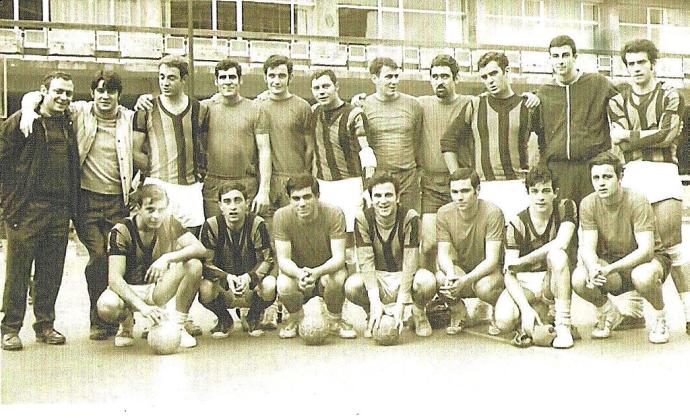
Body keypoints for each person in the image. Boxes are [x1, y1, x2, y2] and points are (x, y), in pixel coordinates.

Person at [19, 71, 142, 341]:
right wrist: (27, 110)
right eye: (99, 91)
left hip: (117, 204)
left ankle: (121, 320)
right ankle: (99, 320)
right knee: (99, 256)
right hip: (86, 202)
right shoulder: (79, 112)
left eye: (111, 91)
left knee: (119, 260)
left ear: (119, 96)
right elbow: (41, 97)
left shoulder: (129, 118)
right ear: (92, 94)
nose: (105, 96)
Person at [608, 38, 690, 334]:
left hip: (664, 171)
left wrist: (630, 136)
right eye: (630, 64)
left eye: (641, 62)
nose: (636, 68)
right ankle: (635, 312)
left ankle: (688, 312)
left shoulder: (670, 94)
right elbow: (619, 137)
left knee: (673, 245)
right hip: (633, 173)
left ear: (653, 64)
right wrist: (650, 133)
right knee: (633, 245)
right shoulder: (617, 100)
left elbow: (668, 135)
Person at [1, 71, 80, 351]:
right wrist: (10, 204)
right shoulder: (22, 122)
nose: (63, 97)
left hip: (58, 211)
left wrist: (70, 210)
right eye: (58, 91)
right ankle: (10, 329)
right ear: (43, 91)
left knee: (50, 272)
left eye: (68, 93)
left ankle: (45, 325)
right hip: (26, 211)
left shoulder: (67, 124)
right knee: (18, 273)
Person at [136, 59, 271, 220]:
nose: (227, 82)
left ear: (240, 80)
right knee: (211, 236)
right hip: (212, 185)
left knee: (243, 237)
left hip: (245, 183)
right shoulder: (204, 108)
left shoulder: (255, 109)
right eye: (222, 77)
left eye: (232, 77)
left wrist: (264, 189)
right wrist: (143, 99)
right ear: (216, 81)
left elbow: (264, 150)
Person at [133, 55, 208, 336]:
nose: (165, 82)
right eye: (161, 77)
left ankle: (182, 317)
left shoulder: (200, 109)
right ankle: (158, 318)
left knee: (190, 257)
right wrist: (155, 175)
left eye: (171, 77)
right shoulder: (146, 108)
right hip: (159, 187)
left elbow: (202, 146)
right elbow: (134, 150)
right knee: (161, 253)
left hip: (189, 189)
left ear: (184, 80)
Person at [572, 152, 672, 344]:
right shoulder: (588, 203)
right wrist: (593, 266)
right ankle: (609, 313)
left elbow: (646, 251)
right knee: (579, 278)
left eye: (607, 177)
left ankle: (660, 319)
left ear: (619, 177)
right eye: (596, 178)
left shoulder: (637, 200)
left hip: (648, 262)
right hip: (612, 263)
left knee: (642, 276)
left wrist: (609, 269)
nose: (601, 183)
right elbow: (588, 246)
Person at [96, 184, 206, 348]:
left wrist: (167, 258)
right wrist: (144, 308)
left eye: (161, 210)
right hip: (129, 290)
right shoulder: (121, 230)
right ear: (138, 207)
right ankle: (126, 325)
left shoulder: (169, 223)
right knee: (106, 306)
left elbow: (199, 248)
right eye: (150, 209)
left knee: (194, 265)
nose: (156, 216)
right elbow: (114, 279)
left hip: (157, 289)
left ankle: (178, 325)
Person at [441, 51, 536, 220]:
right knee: (488, 243)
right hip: (484, 186)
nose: (490, 80)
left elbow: (545, 141)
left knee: (516, 242)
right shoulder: (475, 105)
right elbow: (448, 141)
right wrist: (460, 180)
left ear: (507, 72)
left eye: (494, 73)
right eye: (484, 77)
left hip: (518, 185)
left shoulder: (527, 105)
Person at [494, 166, 577, 348]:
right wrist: (525, 308)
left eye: (546, 191)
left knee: (558, 256)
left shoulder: (565, 207)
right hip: (526, 283)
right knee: (503, 322)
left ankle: (563, 325)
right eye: (535, 191)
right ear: (529, 193)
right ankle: (533, 317)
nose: (540, 197)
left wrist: (525, 260)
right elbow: (509, 272)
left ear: (555, 193)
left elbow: (561, 242)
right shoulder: (516, 224)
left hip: (551, 278)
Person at [345, 172, 436, 337]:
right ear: (371, 199)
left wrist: (400, 306)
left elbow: (410, 263)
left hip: (403, 275)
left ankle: (419, 313)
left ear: (398, 197)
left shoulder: (410, 218)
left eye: (388, 195)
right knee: (352, 285)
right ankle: (372, 314)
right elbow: (366, 263)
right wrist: (374, 302)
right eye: (377, 196)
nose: (383, 201)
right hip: (378, 277)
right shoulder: (363, 219)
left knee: (427, 281)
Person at [534, 35, 618, 206]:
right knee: (565, 221)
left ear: (575, 57)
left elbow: (625, 102)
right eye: (555, 56)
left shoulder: (597, 83)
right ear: (550, 59)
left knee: (594, 222)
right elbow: (537, 132)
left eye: (565, 55)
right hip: (558, 169)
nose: (560, 61)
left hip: (591, 166)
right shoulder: (544, 91)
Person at [274, 174, 355, 339]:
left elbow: (339, 258)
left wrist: (317, 272)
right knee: (283, 283)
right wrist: (299, 273)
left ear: (317, 196)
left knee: (338, 277)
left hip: (325, 272)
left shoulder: (334, 214)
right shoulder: (281, 216)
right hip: (299, 275)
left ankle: (335, 320)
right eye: (296, 198)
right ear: (289, 199)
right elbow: (283, 260)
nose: (301, 203)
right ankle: (295, 319)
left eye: (307, 197)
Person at [417, 54, 474, 271]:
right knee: (429, 242)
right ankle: (428, 291)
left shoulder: (471, 103)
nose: (439, 81)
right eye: (435, 76)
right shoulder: (420, 104)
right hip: (432, 185)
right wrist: (358, 101)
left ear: (456, 78)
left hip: (462, 184)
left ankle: (457, 291)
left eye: (445, 76)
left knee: (459, 244)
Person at [198, 183, 276, 337]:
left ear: (246, 203)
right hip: (224, 288)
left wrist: (250, 277)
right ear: (220, 205)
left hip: (251, 288)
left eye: (237, 200)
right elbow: (205, 264)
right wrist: (226, 278)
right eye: (227, 202)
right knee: (204, 288)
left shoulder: (257, 223)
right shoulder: (211, 225)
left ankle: (253, 316)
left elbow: (268, 260)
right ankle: (224, 319)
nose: (232, 206)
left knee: (270, 285)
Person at [436, 168, 505, 335]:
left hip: (488, 273)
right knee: (441, 278)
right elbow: (443, 253)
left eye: (465, 191)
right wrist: (452, 273)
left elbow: (492, 260)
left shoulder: (493, 213)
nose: (459, 197)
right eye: (454, 192)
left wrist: (465, 281)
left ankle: (498, 308)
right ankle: (459, 311)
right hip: (462, 269)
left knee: (485, 288)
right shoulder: (444, 213)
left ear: (477, 190)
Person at [309, 68, 375, 234]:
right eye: (317, 88)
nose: (321, 92)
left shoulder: (354, 115)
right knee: (328, 240)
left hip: (350, 186)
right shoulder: (314, 111)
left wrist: (368, 188)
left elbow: (366, 155)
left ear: (336, 86)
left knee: (352, 241)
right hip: (322, 186)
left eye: (326, 86)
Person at [362, 57, 423, 213]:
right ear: (374, 78)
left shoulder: (413, 105)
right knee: (381, 227)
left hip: (408, 178)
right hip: (380, 178)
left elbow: (418, 140)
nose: (394, 81)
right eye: (388, 77)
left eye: (396, 76)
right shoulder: (364, 106)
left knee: (410, 223)